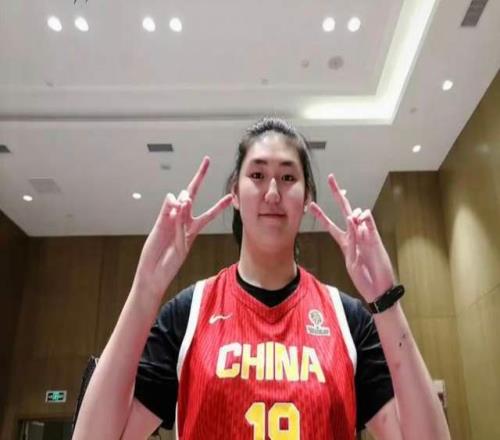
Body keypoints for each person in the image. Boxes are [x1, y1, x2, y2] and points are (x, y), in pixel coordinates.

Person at [72, 118, 450, 439]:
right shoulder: (188, 313)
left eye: (287, 177)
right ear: (235, 194)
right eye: (257, 175)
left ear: (307, 198)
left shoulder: (347, 319)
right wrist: (144, 290)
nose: (272, 192)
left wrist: (385, 301)